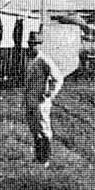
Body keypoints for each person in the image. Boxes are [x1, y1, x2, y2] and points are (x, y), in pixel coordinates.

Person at [23, 32, 63, 167]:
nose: (31, 46)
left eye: (34, 44)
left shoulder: (44, 60)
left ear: (40, 45)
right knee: (34, 128)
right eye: (30, 44)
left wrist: (49, 93)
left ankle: (45, 159)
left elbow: (58, 78)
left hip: (41, 101)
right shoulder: (29, 59)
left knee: (44, 128)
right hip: (30, 99)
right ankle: (38, 156)